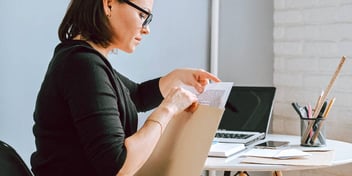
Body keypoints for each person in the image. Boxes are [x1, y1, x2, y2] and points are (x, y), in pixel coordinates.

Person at [30, 0, 220, 176]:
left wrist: (175, 78)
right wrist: (168, 109)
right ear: (109, 4)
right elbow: (118, 167)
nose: (147, 30)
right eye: (142, 16)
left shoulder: (81, 59)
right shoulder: (83, 66)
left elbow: (135, 96)